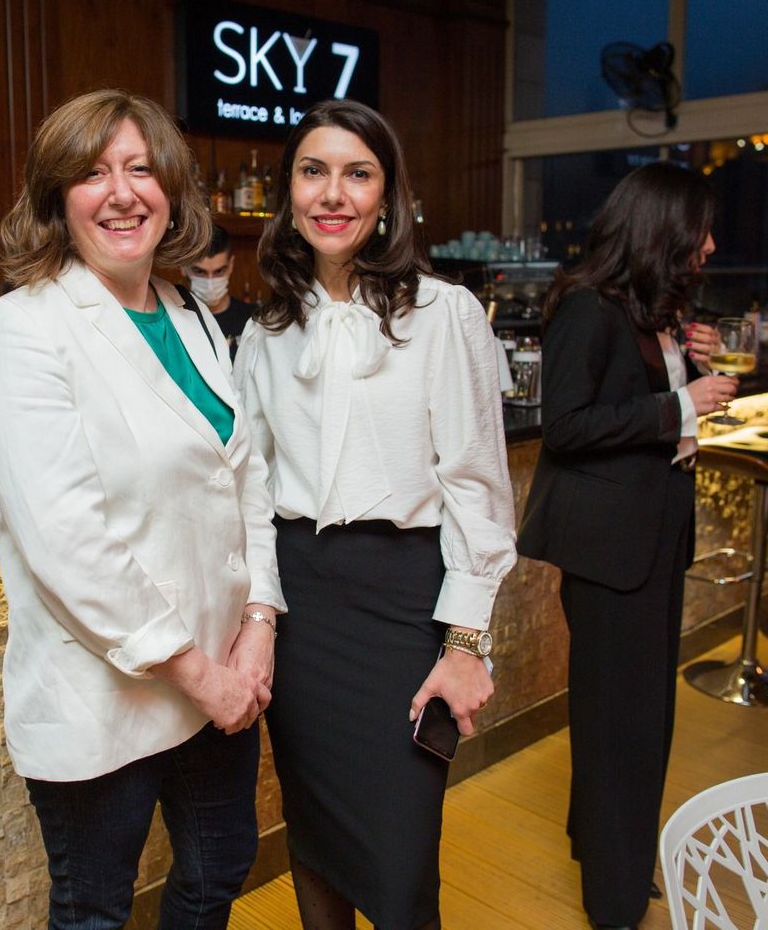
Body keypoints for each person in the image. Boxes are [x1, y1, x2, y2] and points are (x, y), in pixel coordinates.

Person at [0, 88, 283, 930]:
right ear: (56, 199)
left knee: (220, 868)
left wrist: (259, 623)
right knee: (95, 910)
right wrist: (200, 676)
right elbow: (68, 540)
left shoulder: (192, 315)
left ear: (171, 192)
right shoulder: (22, 327)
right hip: (109, 686)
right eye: (93, 173)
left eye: (141, 170)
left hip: (222, 669)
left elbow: (246, 479)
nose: (121, 193)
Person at [233, 99, 517, 930]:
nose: (333, 193)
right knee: (314, 837)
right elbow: (251, 490)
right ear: (289, 194)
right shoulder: (267, 330)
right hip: (303, 608)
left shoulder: (445, 314)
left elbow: (476, 487)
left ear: (388, 196)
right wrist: (259, 615)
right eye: (313, 172)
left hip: (403, 606)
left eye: (357, 174)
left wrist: (465, 642)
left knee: (400, 862)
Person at [516, 162, 736, 930]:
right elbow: (568, 427)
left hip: (653, 540)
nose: (710, 246)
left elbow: (643, 405)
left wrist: (700, 371)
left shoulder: (655, 311)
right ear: (661, 230)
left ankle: (615, 857)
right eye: (700, 230)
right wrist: (680, 403)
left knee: (641, 717)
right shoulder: (589, 308)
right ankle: (614, 898)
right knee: (622, 725)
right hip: (611, 552)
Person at [183, 224, 255, 358]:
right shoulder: (173, 320)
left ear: (231, 265)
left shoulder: (253, 320)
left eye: (219, 271)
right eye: (200, 271)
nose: (210, 282)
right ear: (183, 267)